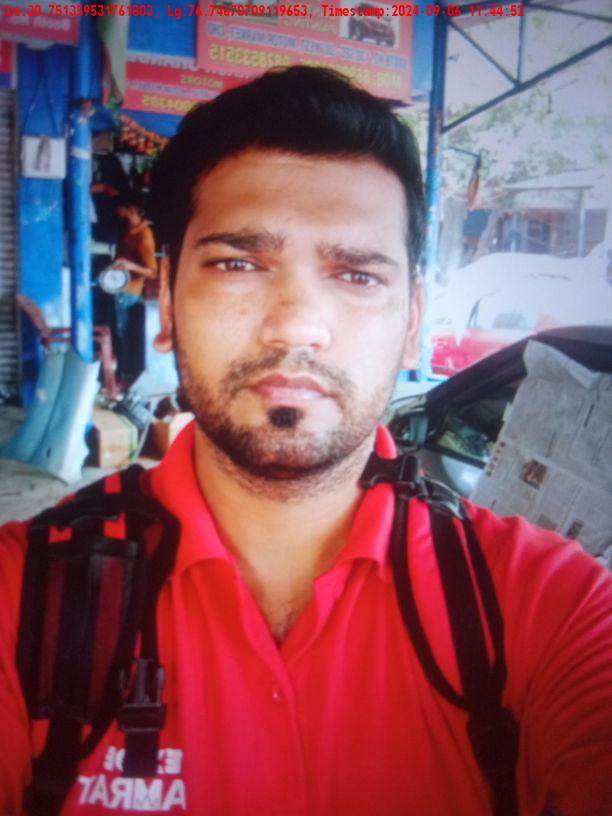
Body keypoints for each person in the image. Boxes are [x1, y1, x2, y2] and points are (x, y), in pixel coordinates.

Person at [1, 66, 611, 816]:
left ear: (413, 319)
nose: (295, 325)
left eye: (357, 275)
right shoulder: (22, 598)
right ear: (167, 301)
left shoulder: (549, 605)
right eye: (237, 263)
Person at [112, 193, 157, 377]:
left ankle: (126, 374)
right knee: (119, 333)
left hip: (129, 291)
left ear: (131, 211)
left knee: (124, 335)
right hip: (120, 287)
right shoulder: (128, 230)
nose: (119, 212)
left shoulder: (144, 236)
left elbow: (152, 272)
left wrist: (130, 266)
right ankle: (123, 372)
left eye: (123, 209)